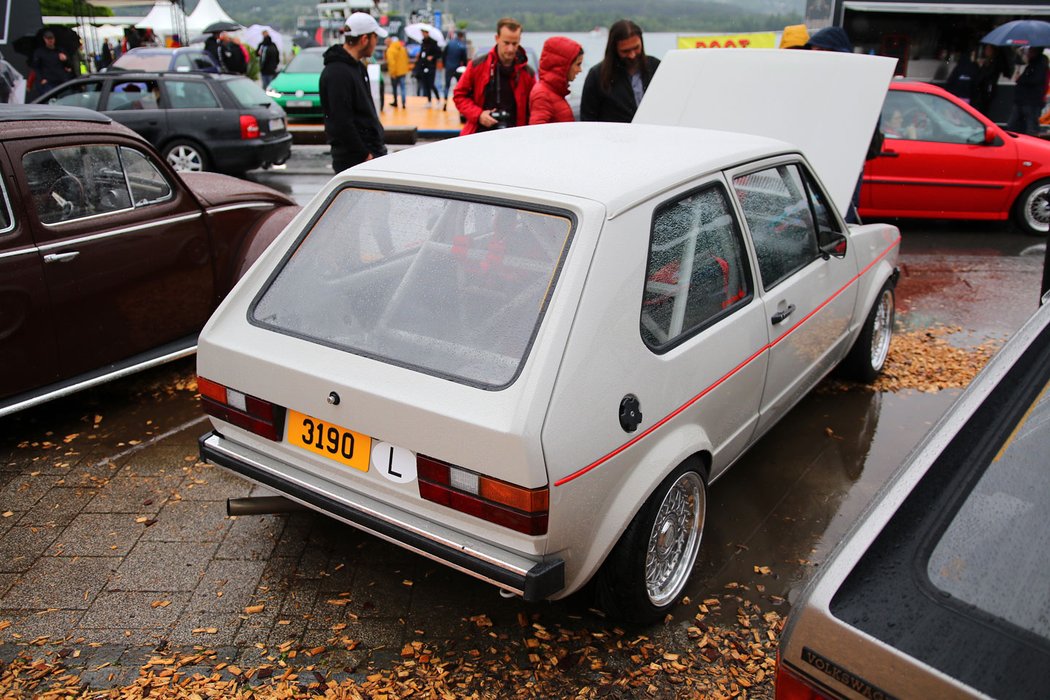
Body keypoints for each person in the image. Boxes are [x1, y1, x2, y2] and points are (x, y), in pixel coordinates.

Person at [319, 12, 388, 172]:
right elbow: (340, 121)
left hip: (369, 156)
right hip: (356, 160)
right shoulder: (336, 73)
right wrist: (364, 154)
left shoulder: (358, 68)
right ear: (364, 39)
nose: (376, 42)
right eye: (374, 38)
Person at [453, 17, 535, 134]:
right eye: (506, 43)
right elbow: (459, 95)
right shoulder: (477, 66)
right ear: (497, 38)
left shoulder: (528, 74)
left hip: (515, 137)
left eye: (514, 43)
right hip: (479, 134)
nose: (510, 49)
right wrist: (478, 114)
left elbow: (535, 108)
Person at [580, 19, 660, 123]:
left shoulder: (656, 67)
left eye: (636, 48)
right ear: (614, 49)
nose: (632, 55)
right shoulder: (597, 75)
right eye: (625, 51)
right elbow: (588, 119)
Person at [529, 37, 583, 125]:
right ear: (564, 65)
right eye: (578, 64)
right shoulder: (542, 95)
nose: (580, 70)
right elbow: (537, 133)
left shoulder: (555, 92)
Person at [1006, 46, 1049, 136]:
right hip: (1025, 101)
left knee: (1027, 127)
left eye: (1030, 50)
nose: (1028, 53)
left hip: (1030, 101)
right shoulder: (1034, 65)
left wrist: (1020, 80)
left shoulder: (1039, 66)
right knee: (1019, 126)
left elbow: (1035, 80)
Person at [29, 30, 73, 99]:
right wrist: (41, 79)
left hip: (62, 81)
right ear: (44, 39)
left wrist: (65, 60)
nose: (50, 40)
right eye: (48, 39)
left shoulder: (60, 50)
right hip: (49, 82)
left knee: (66, 101)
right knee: (51, 102)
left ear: (54, 39)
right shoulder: (39, 52)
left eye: (51, 38)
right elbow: (36, 68)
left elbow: (69, 66)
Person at [972, 43, 1010, 119]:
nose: (986, 51)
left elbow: (989, 75)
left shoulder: (995, 62)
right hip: (983, 89)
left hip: (988, 89)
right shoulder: (987, 62)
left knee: (984, 109)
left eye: (988, 49)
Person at [442, 30, 468, 109]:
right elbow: (464, 59)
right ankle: (459, 104)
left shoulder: (449, 43)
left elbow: (444, 54)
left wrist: (445, 64)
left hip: (449, 67)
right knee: (459, 87)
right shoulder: (462, 46)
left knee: (447, 85)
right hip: (458, 69)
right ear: (462, 36)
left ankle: (445, 102)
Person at [414, 35, 441, 107]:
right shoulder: (423, 43)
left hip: (431, 66)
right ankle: (429, 100)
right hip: (423, 66)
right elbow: (422, 54)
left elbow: (439, 54)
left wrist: (432, 57)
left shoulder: (433, 43)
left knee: (431, 84)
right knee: (426, 84)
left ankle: (438, 99)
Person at [384, 36, 409, 108]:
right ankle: (403, 103)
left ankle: (395, 101)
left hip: (395, 73)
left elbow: (391, 63)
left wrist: (392, 73)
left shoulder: (390, 50)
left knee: (394, 88)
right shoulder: (402, 48)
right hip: (403, 71)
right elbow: (406, 59)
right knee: (403, 87)